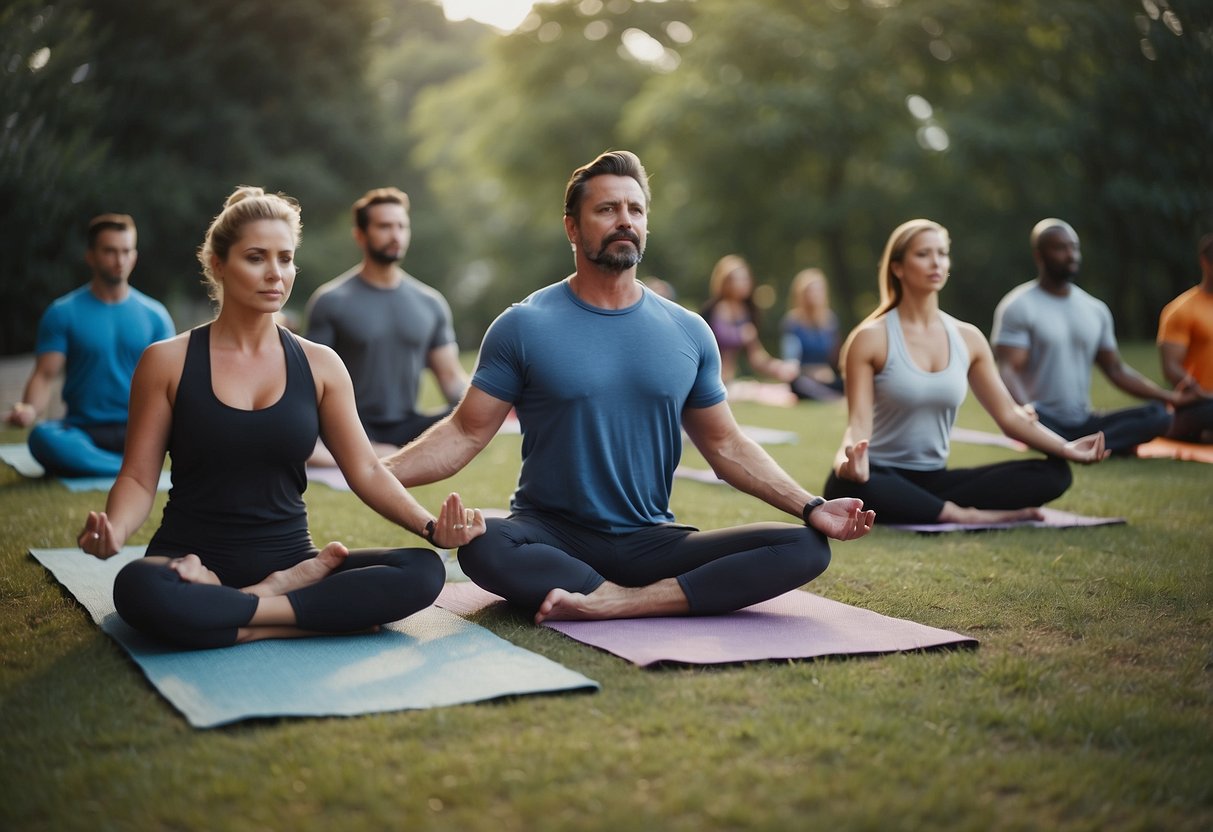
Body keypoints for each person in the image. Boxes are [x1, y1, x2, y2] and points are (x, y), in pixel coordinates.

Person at [385, 150, 875, 624]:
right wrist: (371, 470)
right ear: (572, 228)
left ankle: (620, 601)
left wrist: (811, 506)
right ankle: (628, 597)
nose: (625, 219)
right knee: (483, 543)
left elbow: (725, 445)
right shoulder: (524, 325)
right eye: (607, 209)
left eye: (635, 209)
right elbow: (465, 433)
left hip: (652, 541)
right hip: (552, 535)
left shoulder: (689, 331)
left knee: (805, 545)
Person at [77, 187, 481, 649]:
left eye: (286, 258)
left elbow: (367, 469)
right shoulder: (166, 362)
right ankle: (288, 612)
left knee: (422, 570)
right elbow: (136, 476)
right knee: (138, 587)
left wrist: (430, 528)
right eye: (256, 257)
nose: (276, 273)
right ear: (217, 264)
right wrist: (117, 529)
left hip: (294, 561)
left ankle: (242, 610)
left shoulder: (321, 364)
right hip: (189, 559)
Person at [824, 219, 1107, 525]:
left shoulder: (968, 338)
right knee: (846, 487)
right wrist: (846, 463)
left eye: (942, 253)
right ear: (898, 268)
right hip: (878, 476)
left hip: (937, 482)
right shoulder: (870, 338)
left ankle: (934, 508)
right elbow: (858, 426)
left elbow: (1009, 416)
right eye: (923, 254)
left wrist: (1066, 447)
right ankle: (963, 515)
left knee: (1054, 474)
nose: (936, 262)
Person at [991, 218, 1193, 454]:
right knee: (1040, 423)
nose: (1071, 255)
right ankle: (1072, 444)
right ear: (1039, 255)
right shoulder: (1018, 306)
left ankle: (1080, 446)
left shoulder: (1095, 309)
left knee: (1157, 414)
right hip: (1041, 418)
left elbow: (1116, 370)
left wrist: (1169, 397)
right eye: (1060, 248)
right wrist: (1025, 414)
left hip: (1084, 420)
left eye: (1074, 247)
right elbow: (1008, 369)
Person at [304, 187, 468, 465]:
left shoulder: (430, 302)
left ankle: (382, 453)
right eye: (384, 226)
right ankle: (358, 452)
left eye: (402, 226)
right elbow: (311, 386)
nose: (396, 235)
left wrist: (491, 405)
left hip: (409, 427)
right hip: (350, 426)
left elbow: (451, 380)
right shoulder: (331, 301)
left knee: (468, 417)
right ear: (360, 234)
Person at [6, 214, 175, 477]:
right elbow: (44, 374)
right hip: (83, 432)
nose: (119, 260)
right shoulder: (62, 313)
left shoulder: (156, 316)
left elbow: (173, 383)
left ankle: (108, 465)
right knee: (41, 437)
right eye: (109, 251)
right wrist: (28, 408)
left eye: (125, 251)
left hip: (140, 431)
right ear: (90, 256)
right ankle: (123, 470)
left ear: (134, 256)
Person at [700, 254, 799, 386]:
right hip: (712, 377)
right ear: (725, 282)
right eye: (737, 279)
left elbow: (756, 357)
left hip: (733, 377)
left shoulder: (748, 312)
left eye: (745, 279)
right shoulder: (710, 311)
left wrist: (779, 367)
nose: (744, 283)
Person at [1156, 232, 1213, 443]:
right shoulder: (1181, 310)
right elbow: (1171, 368)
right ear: (1205, 262)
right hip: (1197, 404)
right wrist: (1203, 394)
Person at [781, 268, 844, 401]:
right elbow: (791, 359)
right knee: (800, 384)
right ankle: (832, 398)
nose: (814, 295)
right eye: (810, 291)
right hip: (804, 376)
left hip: (827, 376)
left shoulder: (830, 321)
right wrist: (811, 372)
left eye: (818, 290)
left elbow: (836, 358)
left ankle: (829, 395)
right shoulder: (792, 322)